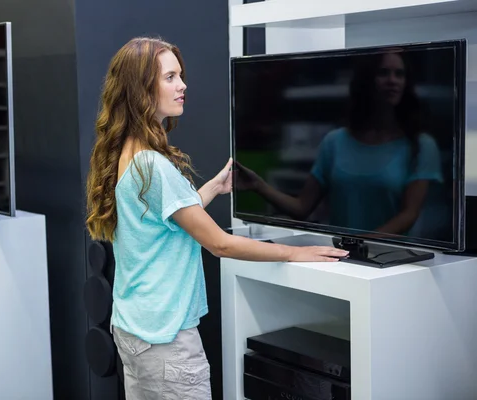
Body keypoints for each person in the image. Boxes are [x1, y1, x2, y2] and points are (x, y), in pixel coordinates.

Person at [85, 36, 349, 400]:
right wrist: (295, 252)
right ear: (141, 89)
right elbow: (219, 243)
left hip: (134, 330)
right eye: (170, 77)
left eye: (180, 76)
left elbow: (168, 218)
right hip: (166, 340)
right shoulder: (153, 165)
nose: (183, 85)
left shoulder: (126, 151)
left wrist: (212, 188)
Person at [237, 50, 443, 237]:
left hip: (393, 265)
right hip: (341, 260)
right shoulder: (335, 142)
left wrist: (362, 243)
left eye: (400, 74)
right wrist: (258, 185)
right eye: (383, 73)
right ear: (367, 80)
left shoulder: (421, 146)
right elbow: (301, 207)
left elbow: (409, 214)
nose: (393, 80)